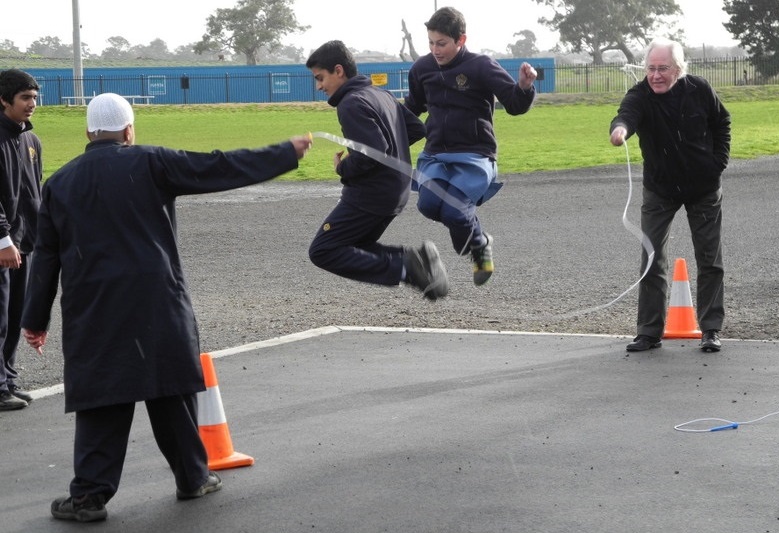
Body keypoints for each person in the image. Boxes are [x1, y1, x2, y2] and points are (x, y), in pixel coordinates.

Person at [20, 92, 312, 522]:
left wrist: (34, 320)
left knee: (103, 398)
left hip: (94, 306)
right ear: (128, 130)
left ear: (88, 132)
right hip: (156, 299)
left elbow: (45, 255)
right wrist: (282, 153)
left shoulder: (60, 183)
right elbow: (219, 166)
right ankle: (193, 476)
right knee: (169, 387)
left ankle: (88, 496)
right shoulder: (151, 162)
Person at [609, 38, 731, 353]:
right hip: (660, 188)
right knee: (652, 258)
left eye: (663, 68)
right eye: (651, 68)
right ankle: (649, 332)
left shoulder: (700, 90)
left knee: (709, 259)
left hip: (703, 188)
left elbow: (722, 123)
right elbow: (626, 115)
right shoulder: (640, 95)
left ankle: (711, 329)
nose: (656, 75)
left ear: (678, 69)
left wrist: (717, 165)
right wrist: (620, 130)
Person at [305, 40, 448, 300]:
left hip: (371, 194)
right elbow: (416, 129)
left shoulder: (350, 103)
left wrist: (343, 167)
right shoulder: (380, 94)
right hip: (396, 191)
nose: (319, 86)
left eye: (320, 78)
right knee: (355, 246)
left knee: (323, 250)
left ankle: (406, 268)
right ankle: (415, 260)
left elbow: (375, 151)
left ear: (339, 70)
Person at [404, 6, 537, 286]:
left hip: (475, 155)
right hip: (436, 155)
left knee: (454, 211)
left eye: (442, 43)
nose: (435, 50)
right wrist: (384, 126)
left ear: (460, 40)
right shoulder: (421, 69)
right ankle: (477, 242)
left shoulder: (481, 66)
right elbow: (411, 109)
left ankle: (478, 244)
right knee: (428, 206)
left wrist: (524, 87)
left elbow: (514, 104)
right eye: (431, 43)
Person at [0, 69, 41, 411]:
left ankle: (8, 379)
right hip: (2, 246)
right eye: (25, 98)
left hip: (25, 243)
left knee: (16, 315)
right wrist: (3, 240)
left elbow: (34, 194)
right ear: (3, 100)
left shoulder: (31, 140)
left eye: (34, 98)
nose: (32, 104)